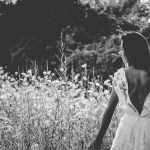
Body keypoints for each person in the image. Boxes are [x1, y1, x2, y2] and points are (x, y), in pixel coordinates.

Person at [89, 31, 150, 150]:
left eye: (122, 49)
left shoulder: (120, 77)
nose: (120, 52)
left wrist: (98, 139)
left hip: (125, 134)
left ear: (130, 52)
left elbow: (110, 109)